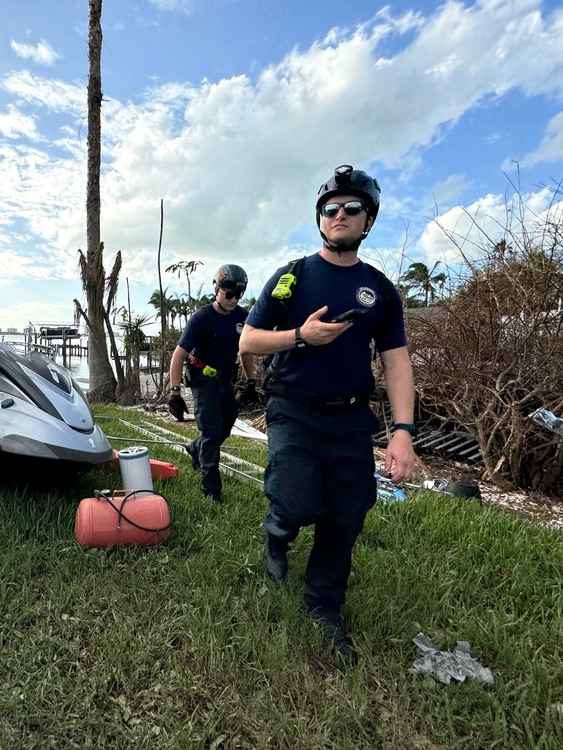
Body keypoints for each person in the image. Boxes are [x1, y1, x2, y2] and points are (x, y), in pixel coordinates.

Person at [239, 164, 417, 667]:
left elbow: (396, 361)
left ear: (368, 220)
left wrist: (402, 432)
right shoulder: (293, 277)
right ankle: (278, 537)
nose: (340, 214)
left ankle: (323, 603)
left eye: (351, 208)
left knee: (346, 513)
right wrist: (300, 336)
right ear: (320, 220)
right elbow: (247, 340)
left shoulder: (380, 291)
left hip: (351, 418)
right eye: (330, 208)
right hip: (293, 409)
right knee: (296, 502)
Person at [168, 265, 257, 503]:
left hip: (226, 378)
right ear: (217, 289)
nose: (234, 299)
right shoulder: (202, 318)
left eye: (239, 294)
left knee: (225, 427)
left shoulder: (242, 317)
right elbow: (178, 355)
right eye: (229, 293)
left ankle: (196, 448)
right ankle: (211, 489)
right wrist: (174, 393)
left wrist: (251, 380)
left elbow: (246, 350)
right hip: (202, 379)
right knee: (211, 431)